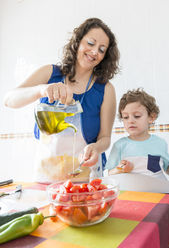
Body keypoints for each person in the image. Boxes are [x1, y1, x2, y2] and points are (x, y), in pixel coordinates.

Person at [4, 18, 120, 183]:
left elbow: (105, 138)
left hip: (85, 180)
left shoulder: (106, 90)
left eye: (101, 50)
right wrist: (41, 90)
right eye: (91, 43)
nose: (95, 52)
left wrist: (96, 147)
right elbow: (9, 99)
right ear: (78, 41)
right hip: (45, 178)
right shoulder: (49, 73)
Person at [106, 88, 169, 178]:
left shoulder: (159, 143)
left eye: (137, 116)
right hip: (130, 191)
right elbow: (109, 173)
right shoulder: (119, 145)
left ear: (151, 117)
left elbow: (168, 170)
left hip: (157, 191)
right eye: (126, 117)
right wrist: (120, 169)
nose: (130, 121)